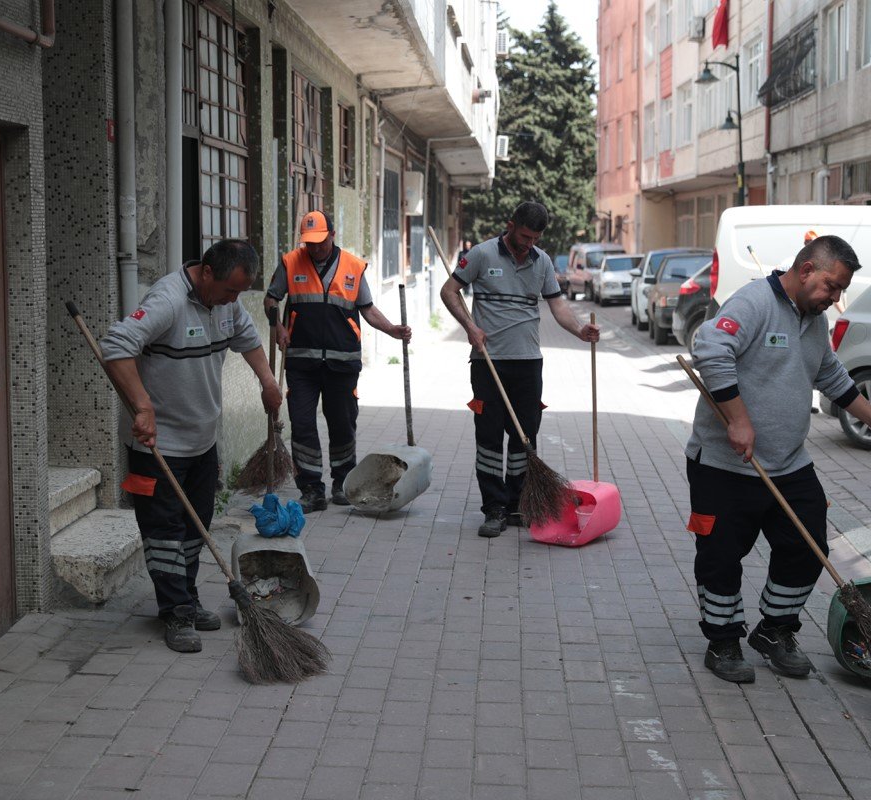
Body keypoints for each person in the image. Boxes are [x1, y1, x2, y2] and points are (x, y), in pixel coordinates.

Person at [685, 234, 871, 683]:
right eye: (831, 286)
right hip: (726, 465)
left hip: (788, 463)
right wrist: (738, 420)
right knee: (721, 555)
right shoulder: (752, 303)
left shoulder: (814, 319)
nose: (836, 297)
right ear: (806, 270)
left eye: (841, 289)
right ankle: (723, 640)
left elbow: (828, 372)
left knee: (808, 548)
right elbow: (709, 350)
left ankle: (774, 630)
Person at [100, 239, 282, 654]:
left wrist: (268, 383)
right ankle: (176, 611)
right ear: (205, 273)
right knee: (163, 531)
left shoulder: (225, 304)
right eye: (229, 291)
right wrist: (142, 408)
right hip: (158, 446)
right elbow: (115, 347)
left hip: (202, 442)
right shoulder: (167, 300)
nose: (233, 301)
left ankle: (187, 597)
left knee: (195, 526)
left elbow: (248, 338)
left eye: (239, 293)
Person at [440, 201, 600, 538]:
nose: (529, 244)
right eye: (525, 236)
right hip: (488, 363)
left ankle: (518, 503)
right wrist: (470, 326)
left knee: (524, 437)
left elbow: (557, 305)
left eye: (535, 238)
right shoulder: (482, 255)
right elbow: (449, 291)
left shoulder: (541, 261)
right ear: (510, 225)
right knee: (489, 438)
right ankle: (494, 508)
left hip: (528, 363)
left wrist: (580, 330)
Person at [264, 210, 411, 512]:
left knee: (342, 424)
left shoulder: (353, 267)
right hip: (301, 363)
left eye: (320, 241)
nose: (314, 248)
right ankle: (311, 490)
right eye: (309, 243)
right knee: (303, 425)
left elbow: (368, 310)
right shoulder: (291, 262)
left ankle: (342, 483)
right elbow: (270, 299)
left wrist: (393, 330)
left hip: (342, 363)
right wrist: (277, 326)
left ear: (332, 235)